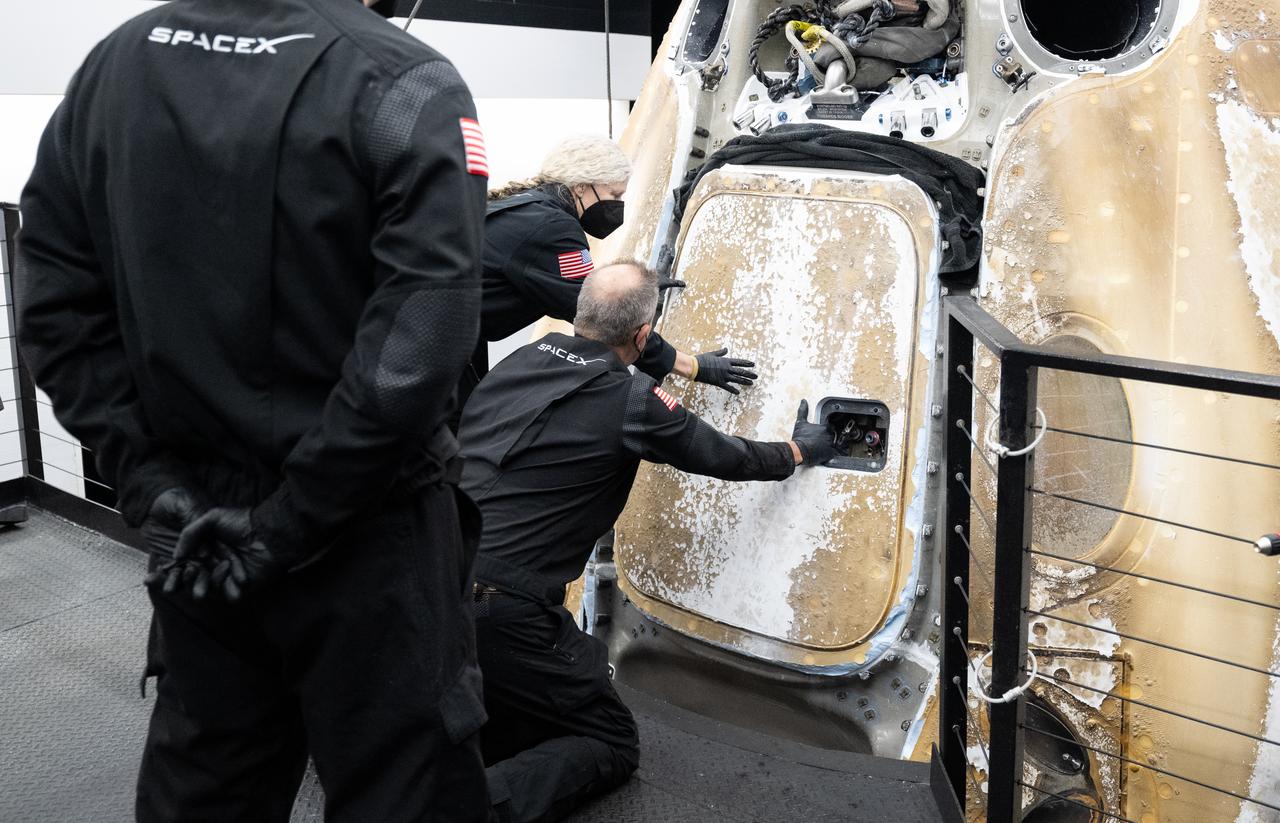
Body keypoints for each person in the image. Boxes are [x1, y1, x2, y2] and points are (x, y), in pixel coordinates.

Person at [15, 1, 489, 820]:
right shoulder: (404, 82)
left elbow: (54, 305)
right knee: (403, 787)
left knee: (208, 780)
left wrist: (151, 480)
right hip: (366, 531)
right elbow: (416, 351)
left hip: (196, 521)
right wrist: (291, 522)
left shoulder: (113, 65)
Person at [457, 261, 839, 823]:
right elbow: (725, 456)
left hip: (438, 576)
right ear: (641, 335)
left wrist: (690, 364)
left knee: (519, 706)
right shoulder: (632, 400)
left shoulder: (522, 358)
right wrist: (801, 450)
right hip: (506, 605)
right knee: (610, 740)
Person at [461, 135, 757, 412]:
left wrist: (637, 286)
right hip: (441, 340)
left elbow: (568, 277)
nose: (617, 205)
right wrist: (691, 366)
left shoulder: (528, 208)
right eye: (614, 193)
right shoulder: (553, 227)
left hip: (442, 328)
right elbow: (603, 317)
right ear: (580, 187)